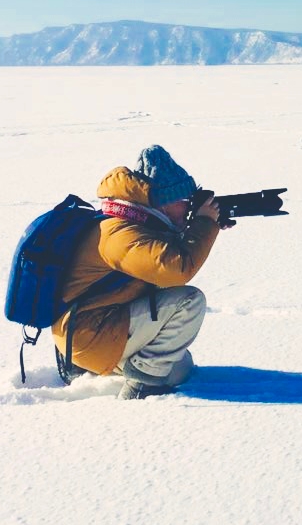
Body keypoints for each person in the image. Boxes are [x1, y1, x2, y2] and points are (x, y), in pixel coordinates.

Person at [51, 144, 223, 399]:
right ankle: (143, 385)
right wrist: (205, 223)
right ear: (163, 204)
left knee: (180, 368)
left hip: (96, 326)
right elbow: (176, 270)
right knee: (189, 301)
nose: (188, 209)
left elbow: (157, 261)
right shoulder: (120, 233)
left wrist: (201, 227)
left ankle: (105, 367)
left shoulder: (132, 220)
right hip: (89, 336)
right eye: (184, 203)